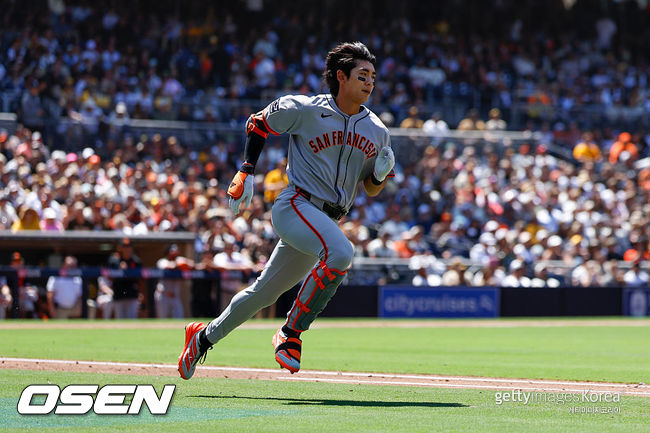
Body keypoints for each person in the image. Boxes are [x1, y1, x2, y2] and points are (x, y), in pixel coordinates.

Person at [178, 41, 395, 380]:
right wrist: (246, 170)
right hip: (295, 205)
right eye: (362, 75)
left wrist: (379, 176)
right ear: (341, 77)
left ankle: (202, 338)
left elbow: (371, 187)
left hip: (324, 220)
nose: (369, 82)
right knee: (341, 253)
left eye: (372, 76)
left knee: (262, 293)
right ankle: (291, 334)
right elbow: (258, 123)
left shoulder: (377, 130)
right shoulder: (306, 108)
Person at [107, 238, 142, 318]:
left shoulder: (136, 261)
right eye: (125, 247)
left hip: (132, 294)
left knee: (132, 319)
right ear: (120, 248)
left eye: (129, 247)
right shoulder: (114, 260)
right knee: (120, 320)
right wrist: (119, 270)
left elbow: (141, 279)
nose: (127, 249)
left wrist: (140, 292)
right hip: (119, 293)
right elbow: (109, 277)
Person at [155, 244, 192, 318]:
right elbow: (168, 266)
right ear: (168, 252)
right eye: (172, 251)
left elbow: (191, 264)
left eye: (176, 251)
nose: (175, 253)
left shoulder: (180, 259)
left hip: (175, 296)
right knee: (162, 319)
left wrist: (184, 263)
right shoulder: (162, 261)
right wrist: (180, 264)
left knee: (179, 317)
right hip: (163, 295)